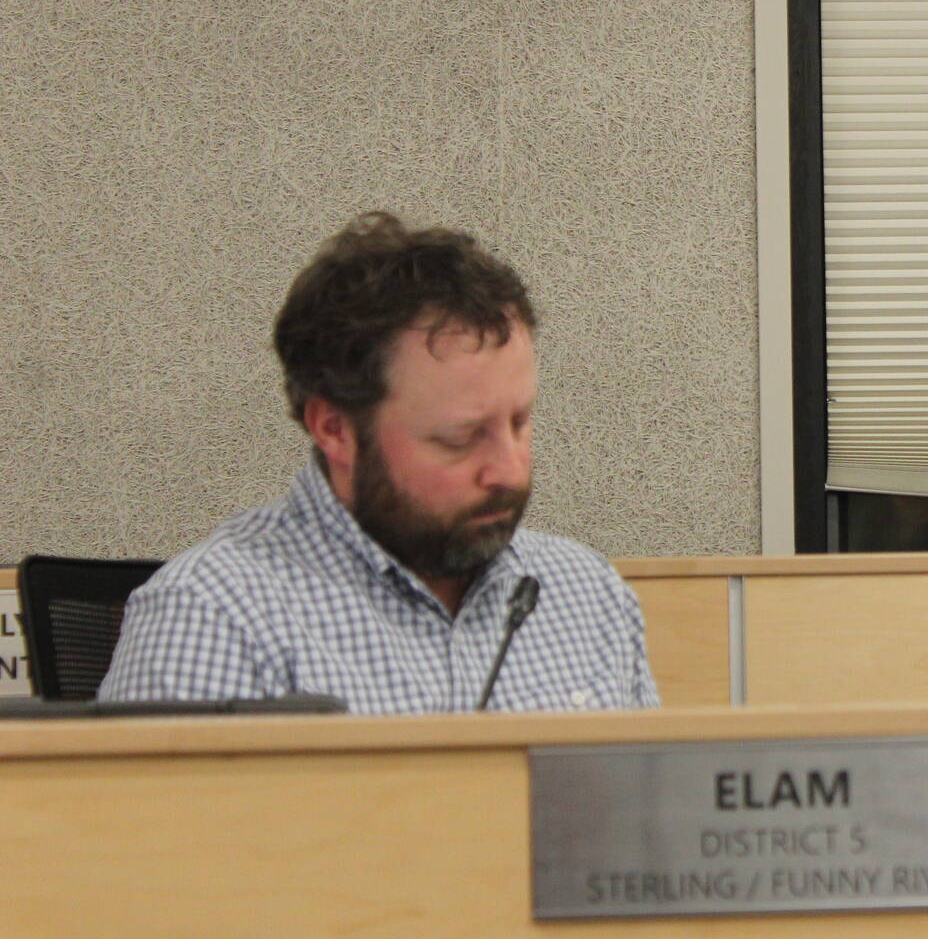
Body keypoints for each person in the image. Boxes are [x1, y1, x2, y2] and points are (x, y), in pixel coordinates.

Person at [101, 213, 660, 712]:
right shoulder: (212, 616)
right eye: (460, 439)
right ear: (335, 428)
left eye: (519, 422)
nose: (510, 472)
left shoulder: (587, 593)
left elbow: (646, 823)